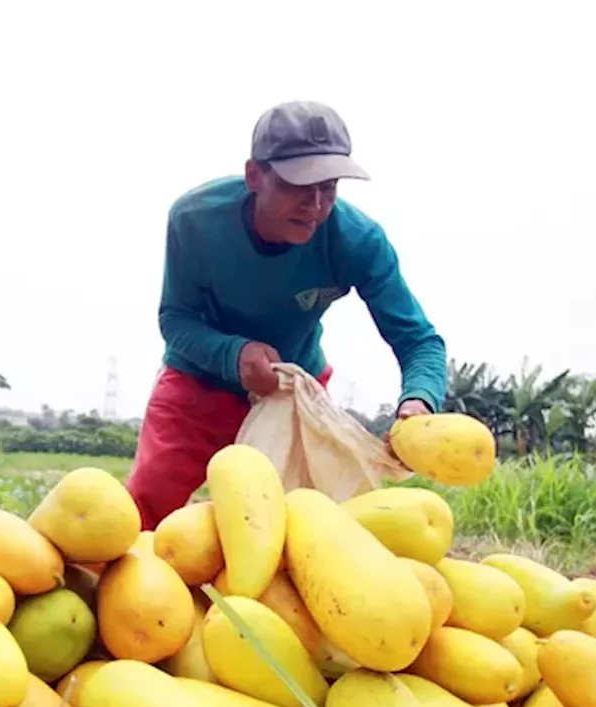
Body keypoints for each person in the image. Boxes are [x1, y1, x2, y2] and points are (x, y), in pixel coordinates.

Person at [124, 100, 448, 531]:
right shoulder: (195, 220)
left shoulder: (358, 241)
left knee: (300, 531)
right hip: (197, 386)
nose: (315, 205)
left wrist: (419, 401)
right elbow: (176, 320)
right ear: (255, 175)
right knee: (143, 515)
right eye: (300, 186)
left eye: (328, 187)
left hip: (293, 401)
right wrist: (233, 354)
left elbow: (418, 340)